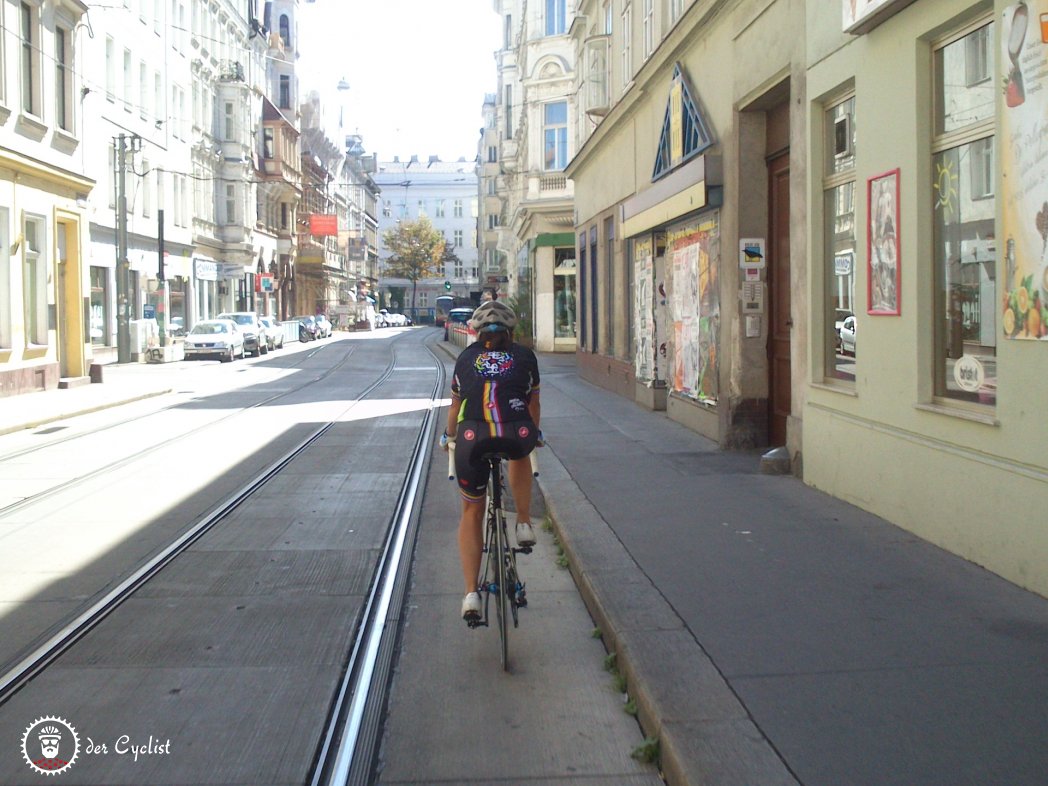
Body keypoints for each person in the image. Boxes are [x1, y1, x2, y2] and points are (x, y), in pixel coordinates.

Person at [441, 300, 541, 622]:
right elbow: (532, 403)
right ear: (511, 332)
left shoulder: (466, 358)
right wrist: (534, 433)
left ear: (475, 331)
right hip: (516, 429)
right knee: (522, 451)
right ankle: (523, 522)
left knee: (472, 510)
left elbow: (455, 409)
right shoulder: (525, 356)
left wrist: (447, 437)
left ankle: (471, 593)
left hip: (473, 438)